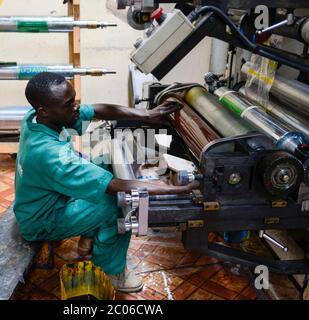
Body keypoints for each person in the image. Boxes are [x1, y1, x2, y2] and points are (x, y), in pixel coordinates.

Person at [14, 72, 199, 293]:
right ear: (44, 110)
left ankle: (88, 238)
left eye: (74, 99)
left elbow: (97, 110)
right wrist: (167, 187)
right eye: (69, 104)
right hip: (43, 221)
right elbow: (113, 186)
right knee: (120, 206)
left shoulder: (36, 117)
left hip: (49, 197)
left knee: (101, 161)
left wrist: (146, 114)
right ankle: (111, 271)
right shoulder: (49, 155)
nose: (76, 107)